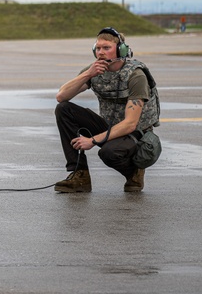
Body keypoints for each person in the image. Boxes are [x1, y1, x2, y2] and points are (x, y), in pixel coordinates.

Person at [53, 27, 161, 193]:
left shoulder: (136, 75)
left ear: (120, 50)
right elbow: (61, 96)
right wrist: (87, 74)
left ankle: (134, 172)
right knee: (64, 109)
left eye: (106, 48)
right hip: (110, 126)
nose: (101, 53)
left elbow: (131, 124)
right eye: (98, 48)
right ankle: (80, 174)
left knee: (108, 153)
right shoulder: (95, 70)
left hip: (137, 134)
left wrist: (92, 140)